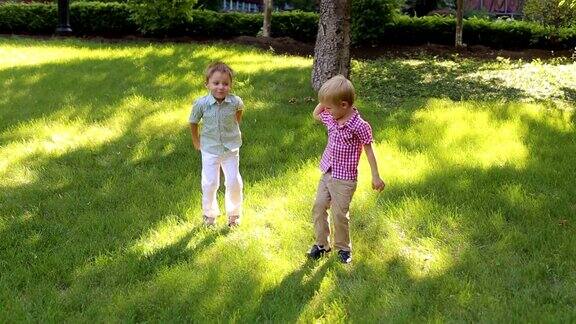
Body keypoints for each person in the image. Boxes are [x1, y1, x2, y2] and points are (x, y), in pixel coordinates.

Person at [308, 75, 385, 264]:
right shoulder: (332, 118)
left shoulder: (360, 126)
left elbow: (369, 150)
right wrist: (323, 101)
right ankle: (321, 245)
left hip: (345, 179)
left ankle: (343, 248)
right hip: (328, 171)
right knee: (318, 207)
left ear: (344, 105)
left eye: (329, 107)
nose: (325, 110)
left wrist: (376, 176)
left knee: (339, 214)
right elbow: (316, 114)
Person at [189, 62, 244, 227]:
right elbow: (193, 122)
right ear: (207, 84)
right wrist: (196, 141)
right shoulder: (201, 104)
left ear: (230, 85)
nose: (221, 87)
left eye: (225, 83)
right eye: (216, 83)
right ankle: (209, 214)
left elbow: (240, 111)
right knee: (210, 182)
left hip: (231, 149)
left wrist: (235, 126)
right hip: (210, 149)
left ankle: (234, 215)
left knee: (234, 181)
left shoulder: (235, 102)